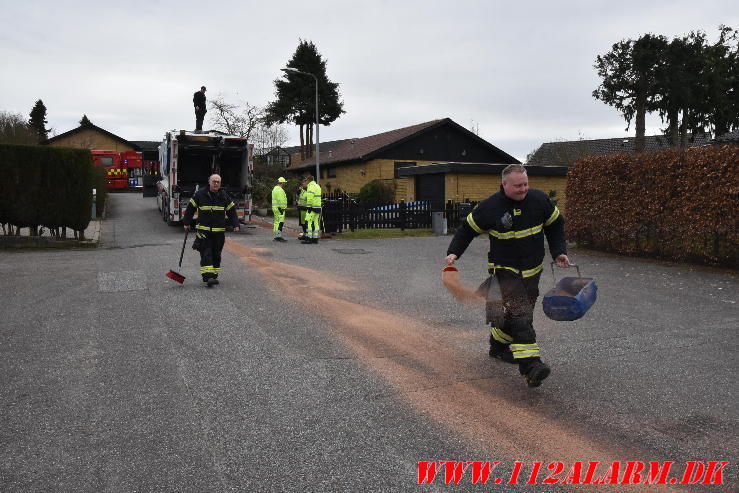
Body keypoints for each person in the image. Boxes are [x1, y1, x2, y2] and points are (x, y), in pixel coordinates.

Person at [445, 164, 570, 388]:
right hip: (504, 272)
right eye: (518, 185)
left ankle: (498, 347)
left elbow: (555, 225)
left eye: (525, 184)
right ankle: (531, 367)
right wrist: (454, 252)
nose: (523, 189)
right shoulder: (489, 207)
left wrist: (559, 251)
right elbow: (467, 229)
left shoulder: (540, 200)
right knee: (522, 316)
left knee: (513, 316)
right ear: (504, 184)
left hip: (532, 271)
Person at [183, 174, 240, 287]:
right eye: (214, 181)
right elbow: (190, 208)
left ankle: (213, 275)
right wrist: (186, 222)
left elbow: (232, 211)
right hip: (204, 231)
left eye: (218, 182)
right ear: (209, 182)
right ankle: (208, 276)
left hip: (219, 232)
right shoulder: (200, 194)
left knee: (216, 254)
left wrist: (236, 224)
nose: (216, 183)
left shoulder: (224, 196)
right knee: (206, 253)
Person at [302, 175, 322, 244]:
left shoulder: (310, 187)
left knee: (308, 222)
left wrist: (309, 207)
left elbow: (310, 198)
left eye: (306, 180)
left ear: (308, 180)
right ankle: (315, 238)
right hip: (318, 208)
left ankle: (309, 238)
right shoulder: (317, 186)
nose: (306, 182)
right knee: (316, 223)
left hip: (312, 208)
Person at [271, 177, 288, 242]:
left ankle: (276, 236)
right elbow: (281, 200)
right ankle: (278, 237)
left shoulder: (274, 189)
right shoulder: (280, 190)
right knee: (280, 222)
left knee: (276, 222)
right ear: (282, 183)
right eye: (284, 182)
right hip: (280, 208)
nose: (285, 184)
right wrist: (283, 208)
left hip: (275, 208)